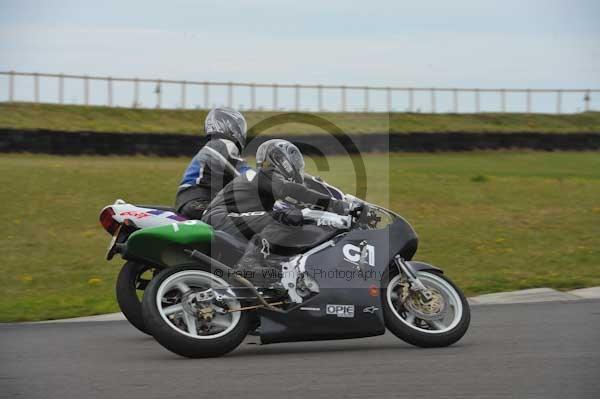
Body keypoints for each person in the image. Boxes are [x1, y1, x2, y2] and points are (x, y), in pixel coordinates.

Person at [202, 139, 349, 286]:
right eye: (296, 161)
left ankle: (271, 263)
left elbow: (298, 202)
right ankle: (249, 263)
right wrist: (336, 205)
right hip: (219, 217)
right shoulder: (266, 174)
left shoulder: (264, 181)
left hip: (225, 218)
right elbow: (291, 191)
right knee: (285, 217)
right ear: (282, 159)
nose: (298, 167)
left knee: (291, 217)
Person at [174, 107, 251, 219]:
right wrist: (265, 180)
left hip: (194, 200)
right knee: (240, 221)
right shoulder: (220, 145)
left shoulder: (215, 146)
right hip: (198, 201)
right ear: (230, 125)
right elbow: (243, 171)